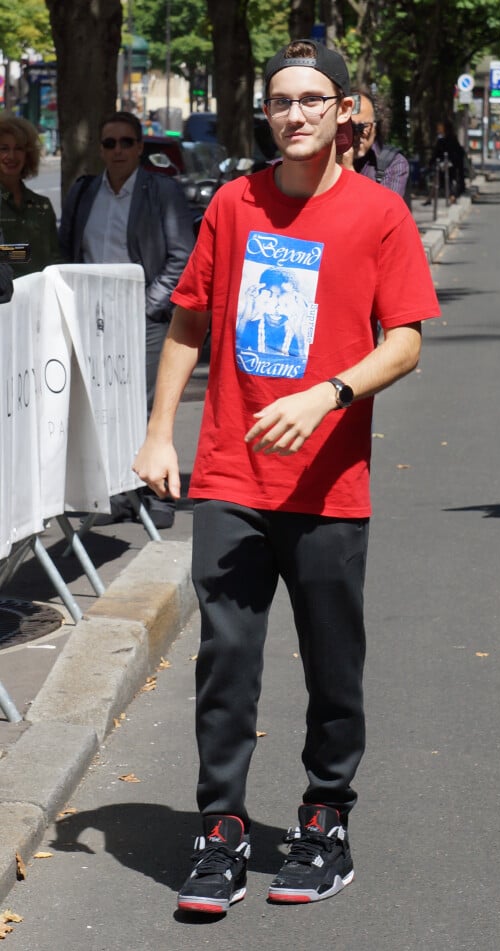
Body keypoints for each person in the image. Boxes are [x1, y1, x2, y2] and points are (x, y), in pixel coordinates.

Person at [133, 38, 440, 914]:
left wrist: (327, 396)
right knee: (225, 657)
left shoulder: (380, 214)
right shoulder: (234, 204)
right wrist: (161, 434)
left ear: (345, 112)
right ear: (264, 113)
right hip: (232, 470)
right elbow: (190, 322)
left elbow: (407, 339)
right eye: (280, 102)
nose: (294, 115)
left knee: (332, 664)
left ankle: (323, 820)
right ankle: (219, 831)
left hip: (329, 484)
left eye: (312, 100)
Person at [59, 110, 194, 528]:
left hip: (146, 318)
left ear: (139, 147)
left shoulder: (162, 190)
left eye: (125, 142)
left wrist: (148, 306)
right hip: (94, 321)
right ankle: (119, 494)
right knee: (108, 408)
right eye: (108, 143)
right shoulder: (83, 192)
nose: (117, 150)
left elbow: (181, 257)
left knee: (152, 407)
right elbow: (71, 253)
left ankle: (161, 498)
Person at [0, 115, 60, 276]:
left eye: (18, 148)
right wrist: (26, 253)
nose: (11, 156)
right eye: (4, 148)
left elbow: (56, 259)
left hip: (42, 298)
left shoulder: (42, 205)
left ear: (28, 155)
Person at [340, 90, 411, 205]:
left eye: (363, 127)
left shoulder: (393, 163)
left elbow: (386, 213)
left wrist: (349, 172)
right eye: (350, 128)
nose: (357, 136)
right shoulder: (329, 160)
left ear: (376, 127)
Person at [424, 119, 467, 204]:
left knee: (443, 181)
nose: (438, 129)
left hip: (448, 165)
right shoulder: (452, 138)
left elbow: (437, 152)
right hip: (453, 165)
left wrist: (430, 163)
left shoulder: (444, 139)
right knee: (445, 182)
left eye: (440, 127)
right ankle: (450, 196)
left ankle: (450, 196)